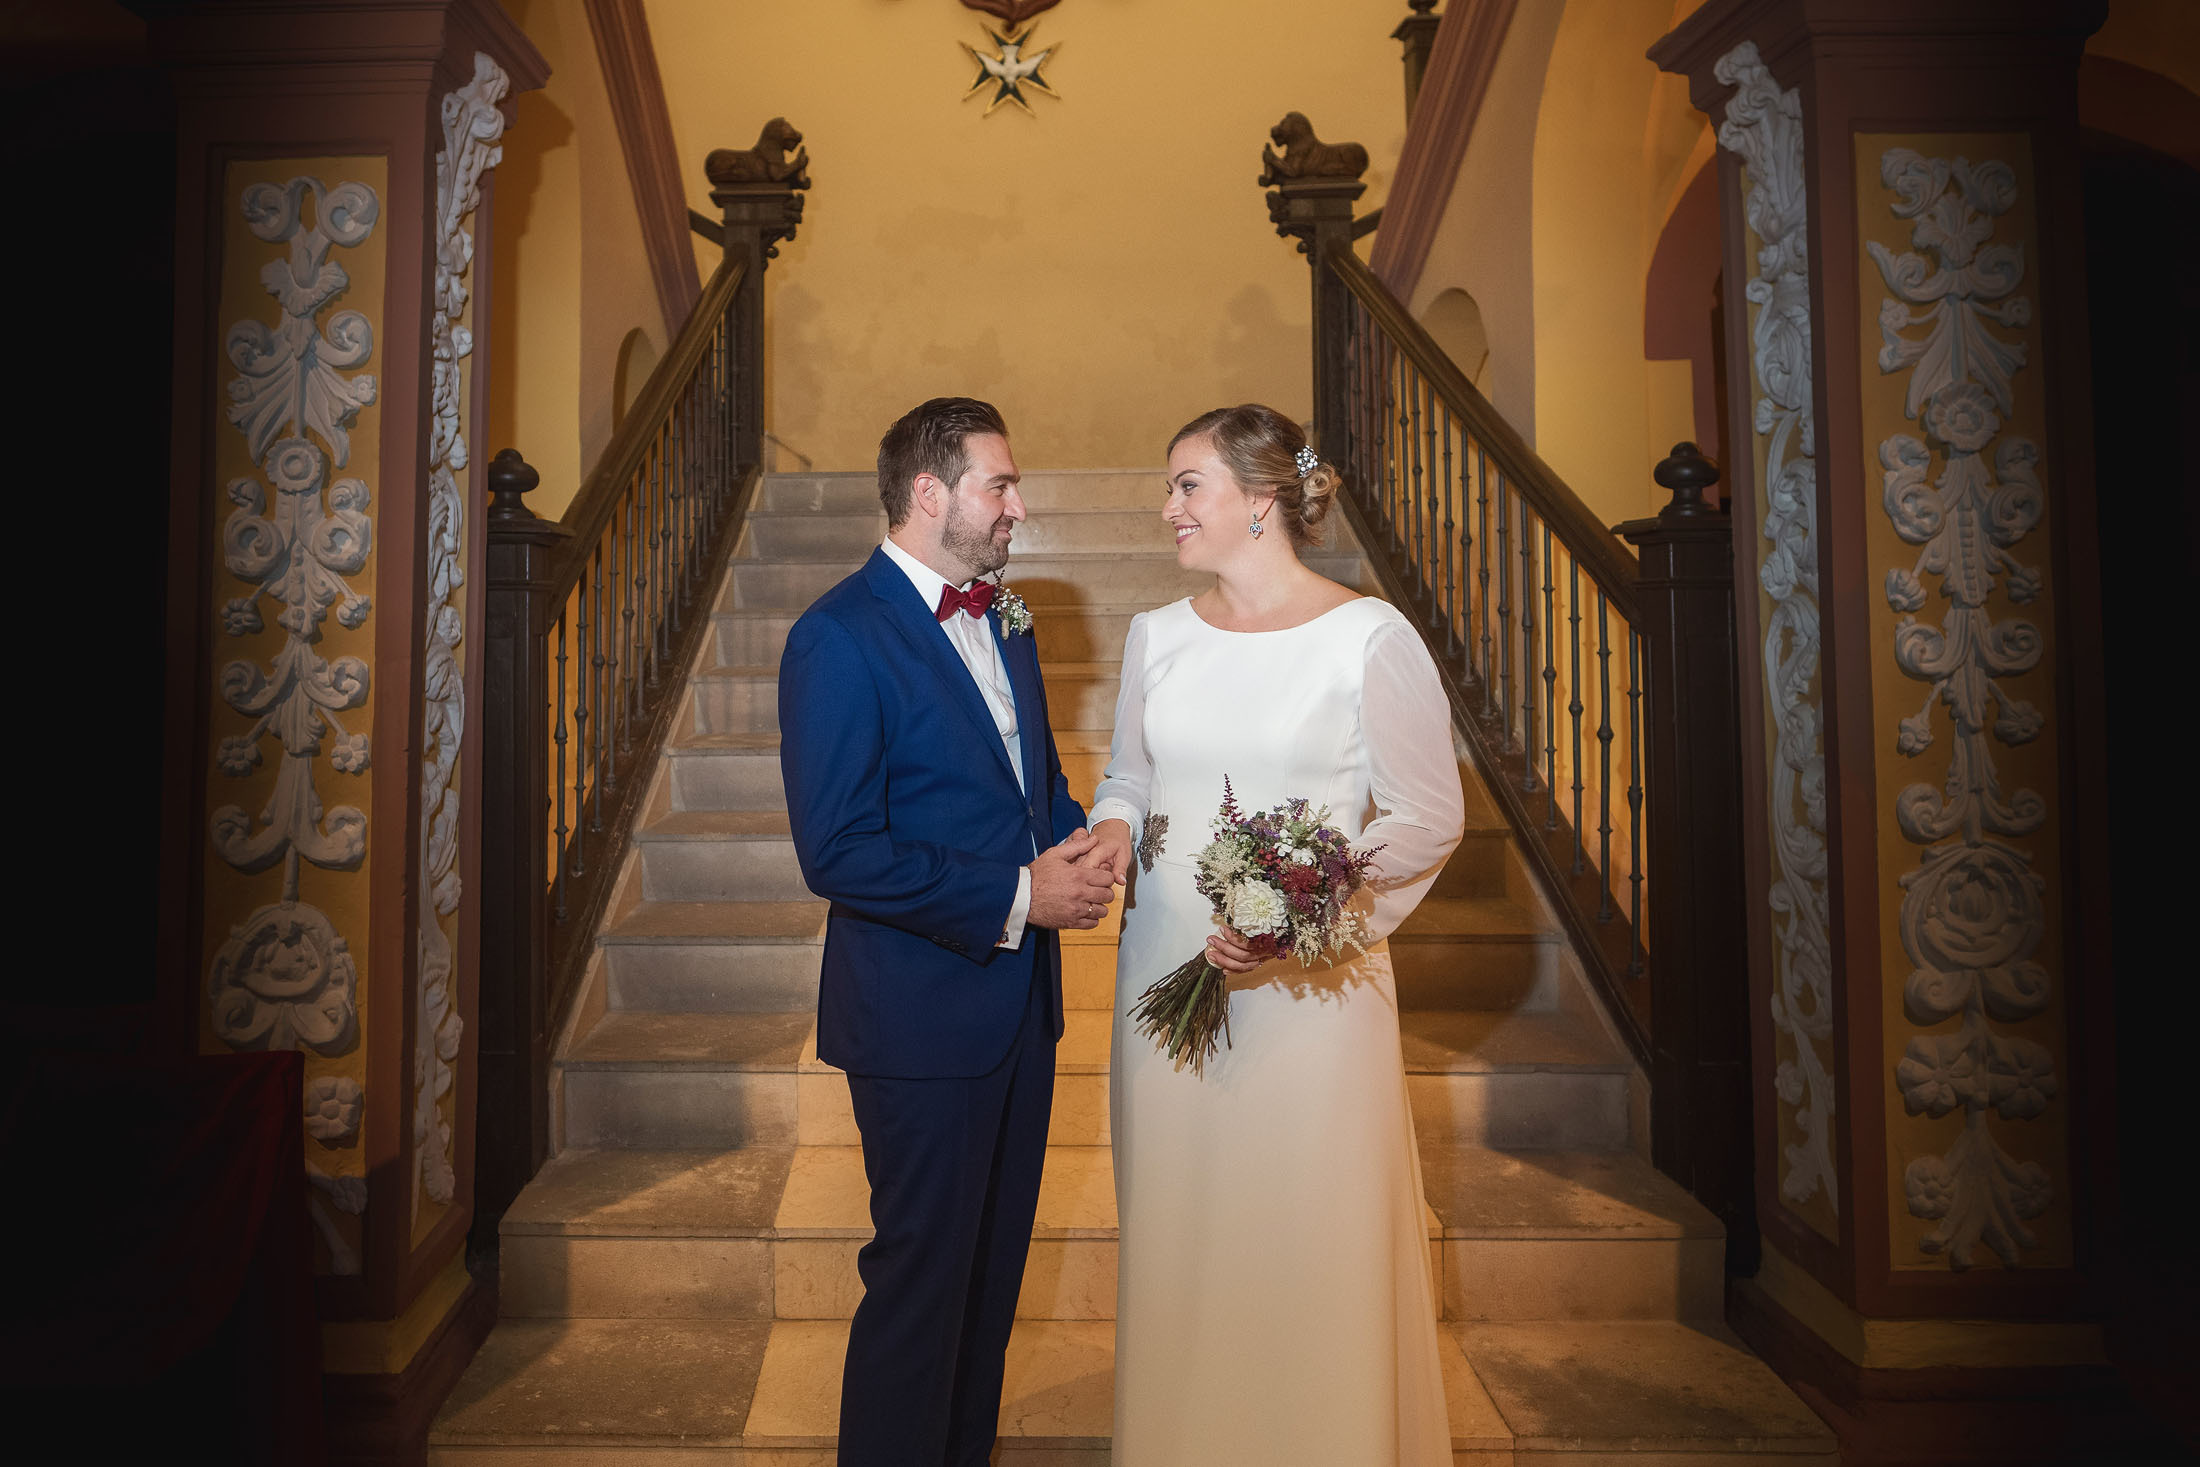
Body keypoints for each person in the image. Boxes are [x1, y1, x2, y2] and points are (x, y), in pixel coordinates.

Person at [1081, 404, 1466, 1465]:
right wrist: (1110, 832)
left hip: (1313, 994)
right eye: (1170, 488)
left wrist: (1306, 923)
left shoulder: (1368, 637)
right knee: (1184, 1230)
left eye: (1186, 485)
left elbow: (1428, 815)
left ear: (1260, 502)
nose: (1167, 509)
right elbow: (1130, 772)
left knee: (1307, 1230)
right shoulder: (1157, 634)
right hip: (1166, 969)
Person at [777, 396, 1118, 1467]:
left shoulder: (1007, 619)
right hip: (920, 1020)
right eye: (1000, 485)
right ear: (930, 494)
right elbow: (836, 850)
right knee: (922, 1289)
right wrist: (1021, 896)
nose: (1018, 506)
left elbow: (1033, 791)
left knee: (988, 1282)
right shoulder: (835, 636)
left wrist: (1088, 843)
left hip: (1020, 1014)